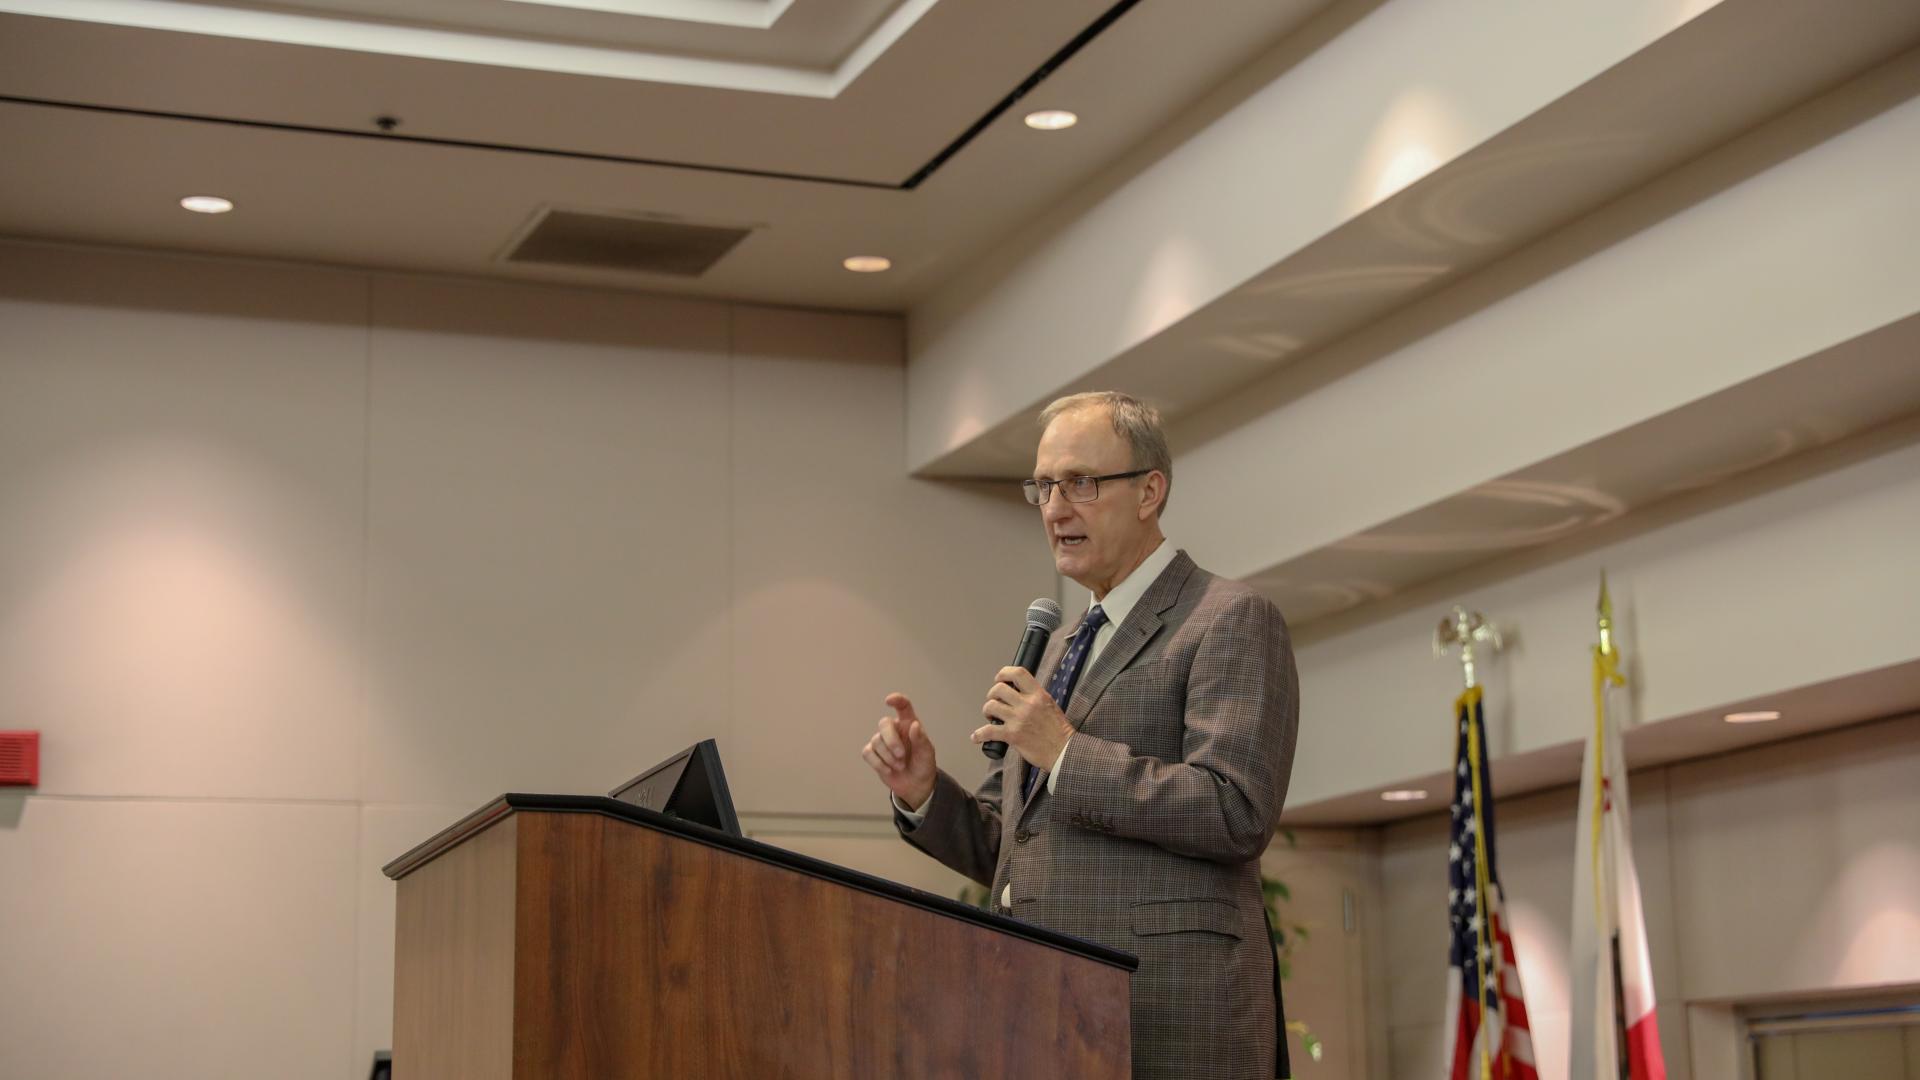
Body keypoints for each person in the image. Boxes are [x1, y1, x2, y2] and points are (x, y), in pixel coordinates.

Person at [861, 391, 1299, 1079]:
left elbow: (1236, 809)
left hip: (1169, 1012)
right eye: (1043, 486)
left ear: (1150, 490)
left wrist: (1065, 751)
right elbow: (1011, 845)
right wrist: (923, 793)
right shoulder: (1064, 643)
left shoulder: (1228, 619)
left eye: (1081, 483)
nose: (1056, 508)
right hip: (1047, 1007)